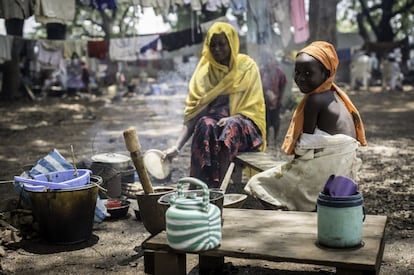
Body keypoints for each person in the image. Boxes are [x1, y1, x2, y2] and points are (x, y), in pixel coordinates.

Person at [244, 41, 367, 211]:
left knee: (257, 182)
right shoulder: (335, 95)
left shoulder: (314, 100)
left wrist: (292, 169)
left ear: (326, 73)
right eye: (298, 72)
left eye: (308, 73)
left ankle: (286, 209)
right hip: (344, 168)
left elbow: (305, 146)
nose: (301, 78)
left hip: (327, 168)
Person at [162, 22, 266, 188]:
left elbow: (255, 108)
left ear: (231, 43)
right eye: (213, 45)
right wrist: (176, 147)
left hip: (245, 128)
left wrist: (236, 117)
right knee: (204, 123)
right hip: (216, 129)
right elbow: (194, 115)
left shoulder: (247, 67)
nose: (217, 49)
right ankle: (198, 186)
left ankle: (217, 188)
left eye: (222, 44)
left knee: (231, 125)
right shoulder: (204, 73)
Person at [259, 51, 287, 145]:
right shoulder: (262, 72)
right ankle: (266, 139)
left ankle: (275, 138)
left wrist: (280, 99)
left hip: (276, 102)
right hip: (264, 103)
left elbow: (283, 85)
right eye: (266, 59)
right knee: (265, 121)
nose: (268, 61)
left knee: (275, 121)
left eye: (270, 59)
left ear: (273, 60)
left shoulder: (279, 72)